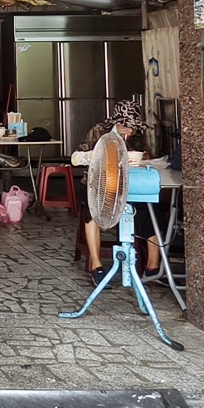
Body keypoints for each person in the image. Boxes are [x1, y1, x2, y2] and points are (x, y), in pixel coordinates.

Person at [70, 100, 161, 286]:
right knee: (93, 213)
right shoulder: (99, 132)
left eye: (133, 127)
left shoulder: (136, 137)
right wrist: (97, 155)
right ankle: (96, 265)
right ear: (117, 123)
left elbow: (147, 157)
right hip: (97, 185)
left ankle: (153, 267)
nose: (130, 131)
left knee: (150, 208)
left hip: (128, 186)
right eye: (126, 126)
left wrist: (141, 160)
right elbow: (75, 158)